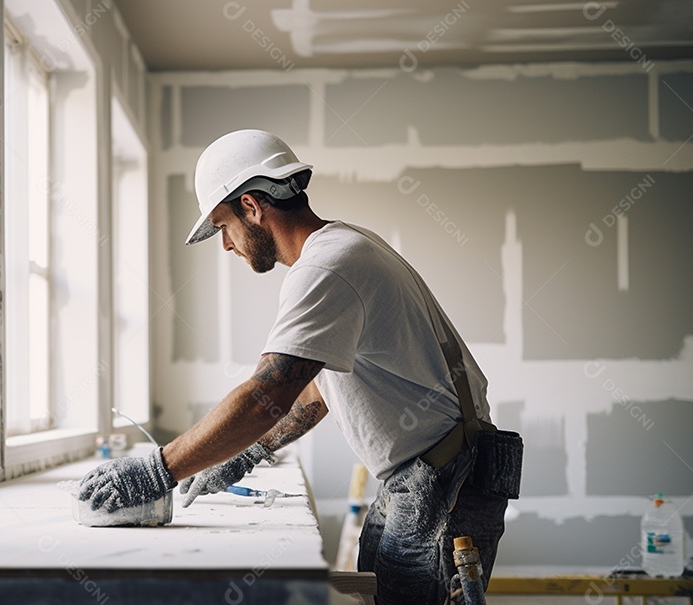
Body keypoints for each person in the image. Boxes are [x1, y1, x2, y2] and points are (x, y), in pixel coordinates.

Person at [78, 129, 521, 604]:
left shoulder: (327, 267)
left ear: (251, 206)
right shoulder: (343, 246)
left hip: (444, 481)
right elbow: (313, 393)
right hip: (432, 475)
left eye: (223, 226)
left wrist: (158, 471)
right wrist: (244, 454)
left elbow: (266, 396)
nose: (226, 245)